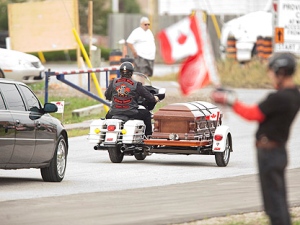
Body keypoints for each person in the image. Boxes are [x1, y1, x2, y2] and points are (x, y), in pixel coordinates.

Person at [211, 52, 300, 225]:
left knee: (274, 205)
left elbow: (253, 114)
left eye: (272, 72)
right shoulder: (294, 95)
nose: (271, 76)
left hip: (270, 154)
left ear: (280, 72)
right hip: (278, 152)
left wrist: (230, 101)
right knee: (278, 201)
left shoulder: (279, 98)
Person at [105, 61, 158, 136]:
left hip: (115, 112)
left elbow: (107, 95)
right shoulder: (136, 84)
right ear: (132, 72)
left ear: (120, 72)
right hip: (131, 113)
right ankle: (148, 136)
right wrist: (155, 98)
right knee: (146, 114)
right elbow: (149, 97)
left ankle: (106, 134)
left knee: (107, 116)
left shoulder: (113, 82)